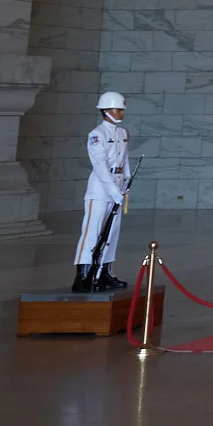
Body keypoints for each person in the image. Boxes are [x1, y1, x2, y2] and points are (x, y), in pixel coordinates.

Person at [74, 91, 132, 294]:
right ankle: (83, 274)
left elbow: (124, 160)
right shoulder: (97, 135)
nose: (121, 113)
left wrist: (125, 182)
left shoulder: (122, 133)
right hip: (100, 188)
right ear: (106, 111)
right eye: (118, 109)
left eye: (122, 109)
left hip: (116, 185)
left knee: (111, 233)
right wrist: (111, 189)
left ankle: (104, 271)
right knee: (92, 231)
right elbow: (99, 166)